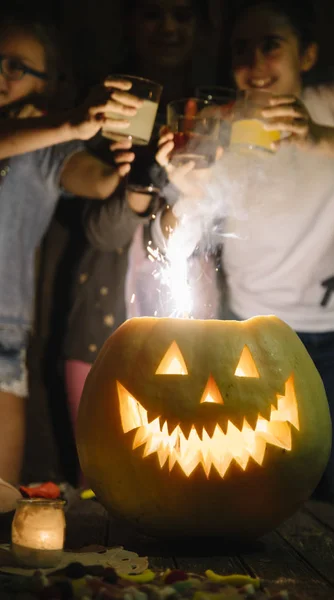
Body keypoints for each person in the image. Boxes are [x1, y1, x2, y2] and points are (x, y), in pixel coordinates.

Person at [152, 0, 334, 504]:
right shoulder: (212, 128)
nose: (255, 63)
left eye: (271, 45)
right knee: (266, 485)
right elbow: (167, 243)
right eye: (241, 49)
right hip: (256, 338)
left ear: (308, 54)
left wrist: (317, 137)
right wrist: (187, 190)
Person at [52, 0, 220, 466]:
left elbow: (194, 236)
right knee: (101, 477)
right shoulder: (101, 112)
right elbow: (100, 234)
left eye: (183, 15)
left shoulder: (209, 116)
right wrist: (145, 181)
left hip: (187, 337)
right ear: (129, 21)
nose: (168, 27)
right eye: (153, 14)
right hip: (102, 330)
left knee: (180, 473)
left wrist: (189, 187)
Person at [0, 14, 146, 486]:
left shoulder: (50, 148)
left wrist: (126, 167)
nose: (2, 75)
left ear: (51, 80)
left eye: (16, 67)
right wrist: (71, 123)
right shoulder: (57, 130)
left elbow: (99, 182)